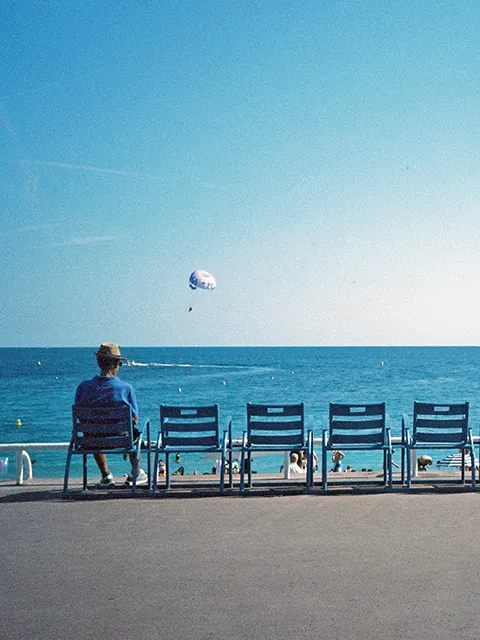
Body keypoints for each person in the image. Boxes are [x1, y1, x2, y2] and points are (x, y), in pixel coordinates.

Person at [74, 342, 148, 487]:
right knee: (134, 433)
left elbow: (80, 416)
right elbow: (134, 418)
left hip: (91, 441)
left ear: (98, 362)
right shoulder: (126, 389)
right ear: (116, 363)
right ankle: (136, 473)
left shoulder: (83, 388)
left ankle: (106, 475)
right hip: (122, 440)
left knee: (93, 431)